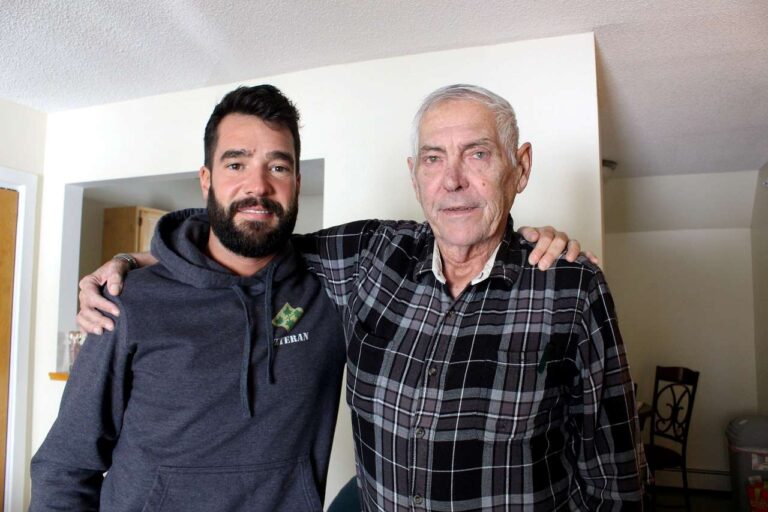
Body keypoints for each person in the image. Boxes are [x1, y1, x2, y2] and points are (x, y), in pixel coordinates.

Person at [76, 84, 636, 511]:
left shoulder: (571, 288)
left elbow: (614, 478)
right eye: (435, 158)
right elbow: (251, 235)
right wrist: (138, 260)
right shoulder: (372, 255)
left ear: (521, 168)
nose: (453, 180)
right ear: (415, 176)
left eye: (479, 154)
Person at [30, 85, 348, 511]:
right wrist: (134, 260)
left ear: (296, 183)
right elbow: (66, 467)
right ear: (206, 180)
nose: (258, 185)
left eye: (278, 167)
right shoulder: (129, 302)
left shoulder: (334, 293)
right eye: (236, 163)